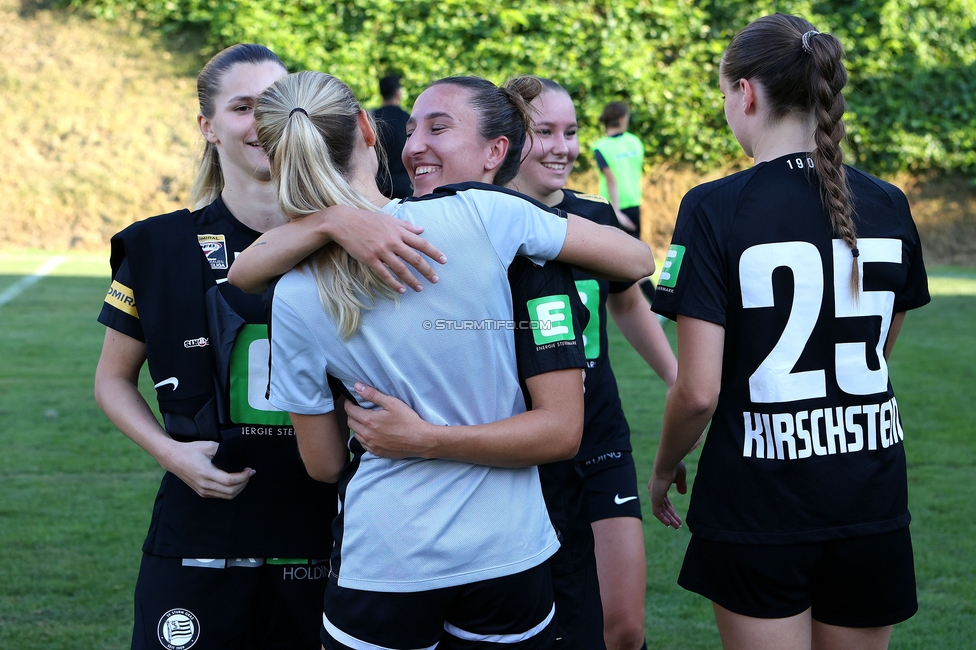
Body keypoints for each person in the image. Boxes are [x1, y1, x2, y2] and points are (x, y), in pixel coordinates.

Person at [246, 71, 655, 650]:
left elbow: (324, 464)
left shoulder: (290, 294)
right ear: (369, 130)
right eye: (412, 128)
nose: (415, 144)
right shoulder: (489, 217)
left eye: (435, 127)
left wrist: (415, 437)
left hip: (384, 557)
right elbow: (636, 258)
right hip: (507, 550)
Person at [92, 44, 445, 650]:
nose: (261, 122)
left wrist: (336, 222)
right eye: (242, 107)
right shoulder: (156, 246)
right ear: (207, 127)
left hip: (336, 538)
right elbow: (112, 380)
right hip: (200, 538)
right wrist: (168, 453)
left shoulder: (370, 238)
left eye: (274, 105)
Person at [648, 13, 929, 650]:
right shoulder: (887, 201)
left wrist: (664, 467)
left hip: (759, 500)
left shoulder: (712, 206)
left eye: (724, 94)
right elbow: (883, 344)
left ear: (746, 92)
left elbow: (698, 392)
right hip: (871, 494)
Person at [506, 75, 678, 650]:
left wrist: (682, 385)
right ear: (507, 137)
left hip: (600, 431)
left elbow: (629, 304)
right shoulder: (486, 223)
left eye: (571, 132)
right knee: (544, 623)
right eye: (544, 131)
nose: (562, 146)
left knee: (623, 628)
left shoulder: (597, 217)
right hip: (521, 443)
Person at [593, 102, 655, 301]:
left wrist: (617, 211)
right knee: (632, 256)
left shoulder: (600, 147)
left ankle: (656, 303)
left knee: (626, 260)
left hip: (614, 208)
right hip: (634, 205)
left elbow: (611, 179)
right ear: (621, 119)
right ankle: (653, 303)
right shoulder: (635, 142)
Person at [372, 74, 413, 199]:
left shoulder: (371, 119)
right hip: (404, 185)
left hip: (377, 186)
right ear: (398, 93)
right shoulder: (408, 120)